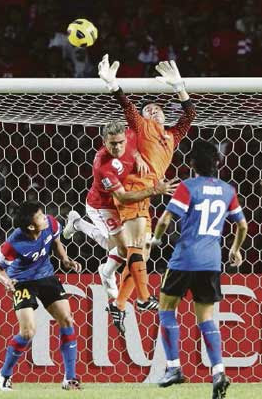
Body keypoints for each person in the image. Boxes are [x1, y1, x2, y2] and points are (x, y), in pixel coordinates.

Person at [96, 54, 196, 334]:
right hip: (133, 191)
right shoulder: (143, 127)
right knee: (136, 250)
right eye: (148, 110)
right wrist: (114, 86)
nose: (152, 112)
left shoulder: (172, 137)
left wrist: (179, 88)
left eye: (156, 109)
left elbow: (189, 115)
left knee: (141, 253)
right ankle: (142, 299)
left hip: (146, 196)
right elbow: (128, 109)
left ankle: (119, 304)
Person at [153, 140, 247, 399]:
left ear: (191, 164)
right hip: (211, 262)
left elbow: (166, 218)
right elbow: (243, 226)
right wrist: (235, 250)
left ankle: (173, 367)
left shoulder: (187, 186)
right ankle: (218, 371)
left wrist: (155, 240)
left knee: (166, 309)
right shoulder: (228, 190)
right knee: (206, 318)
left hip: (184, 260)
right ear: (217, 163)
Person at [63, 121, 177, 305]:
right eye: (112, 144)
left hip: (121, 206)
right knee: (122, 249)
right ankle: (102, 264)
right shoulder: (103, 166)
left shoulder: (130, 136)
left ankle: (79, 225)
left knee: (132, 248)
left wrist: (137, 155)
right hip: (103, 206)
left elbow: (136, 131)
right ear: (104, 142)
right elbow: (123, 197)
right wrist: (155, 190)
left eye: (120, 142)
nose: (117, 147)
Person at [0, 201, 82, 391]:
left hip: (46, 276)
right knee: (28, 332)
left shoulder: (51, 224)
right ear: (31, 226)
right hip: (22, 282)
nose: (46, 218)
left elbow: (57, 242)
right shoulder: (14, 243)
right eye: (41, 217)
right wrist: (6, 281)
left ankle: (70, 378)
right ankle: (5, 374)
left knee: (67, 319)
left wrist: (65, 259)